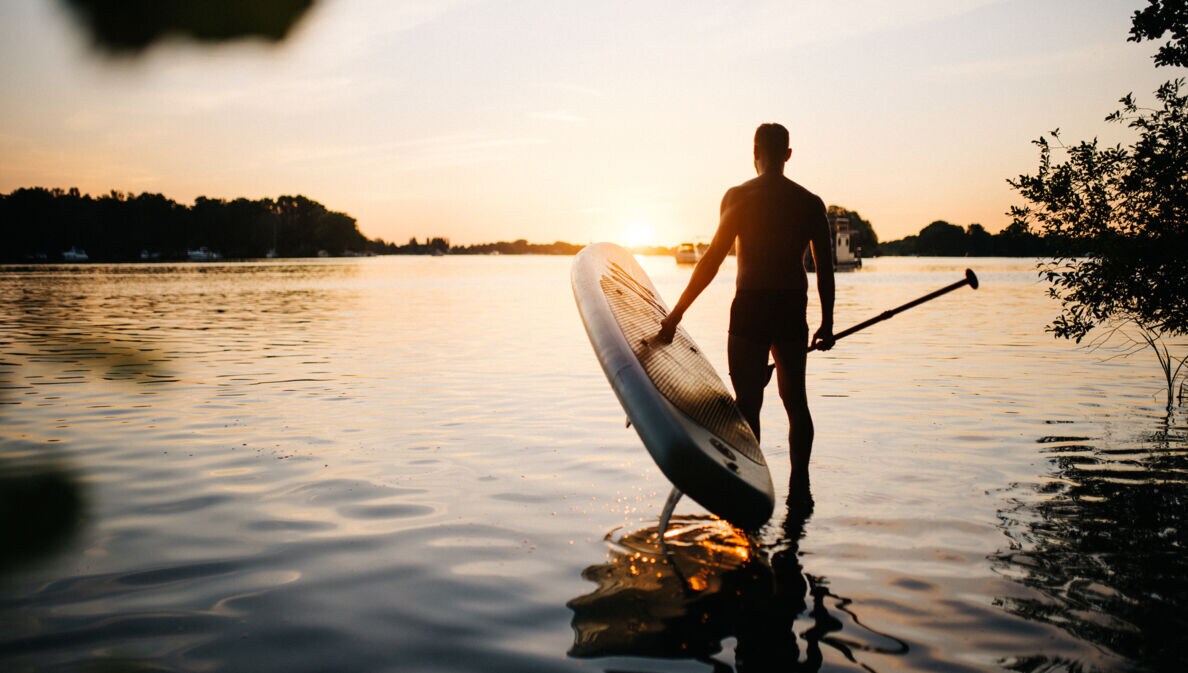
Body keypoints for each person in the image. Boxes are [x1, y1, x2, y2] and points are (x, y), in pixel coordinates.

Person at [657, 123, 834, 486]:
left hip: (750, 309)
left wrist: (677, 313)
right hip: (790, 310)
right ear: (787, 154)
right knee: (796, 403)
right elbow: (825, 272)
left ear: (755, 152)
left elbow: (711, 261)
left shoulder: (737, 197)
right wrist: (827, 323)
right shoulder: (810, 203)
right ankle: (800, 487)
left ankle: (750, 485)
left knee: (747, 405)